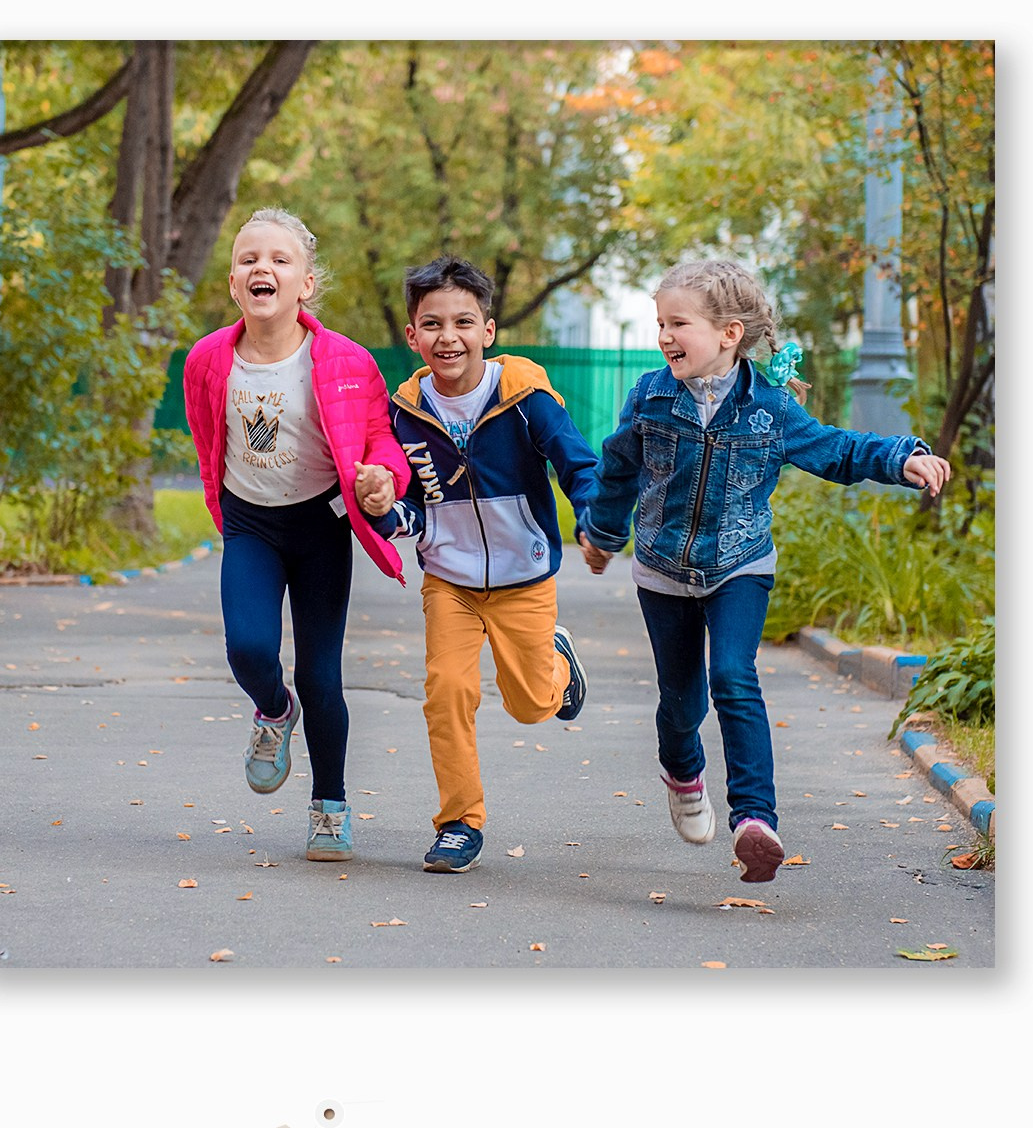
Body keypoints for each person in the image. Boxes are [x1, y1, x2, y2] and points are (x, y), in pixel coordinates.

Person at [577, 259, 951, 883]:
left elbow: (834, 449)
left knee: (733, 674)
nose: (665, 336)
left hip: (740, 565)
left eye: (679, 324)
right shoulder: (649, 396)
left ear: (729, 333)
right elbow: (618, 470)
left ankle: (755, 819)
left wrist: (898, 457)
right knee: (681, 702)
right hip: (663, 569)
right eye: (661, 323)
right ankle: (683, 772)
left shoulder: (771, 408)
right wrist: (604, 534)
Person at [354, 255, 598, 873]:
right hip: (450, 581)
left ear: (487, 330)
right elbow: (410, 505)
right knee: (447, 691)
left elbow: (576, 463)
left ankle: (558, 667)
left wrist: (593, 518)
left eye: (463, 322)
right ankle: (459, 823)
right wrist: (383, 509)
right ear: (413, 335)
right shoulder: (404, 413)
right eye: (432, 324)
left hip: (524, 577)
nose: (449, 337)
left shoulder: (525, 397)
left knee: (531, 706)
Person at [183, 207, 411, 863]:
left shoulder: (346, 361)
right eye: (249, 259)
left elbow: (380, 441)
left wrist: (384, 480)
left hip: (320, 526)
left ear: (306, 283)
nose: (264, 268)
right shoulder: (206, 360)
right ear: (234, 283)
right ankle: (273, 710)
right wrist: (224, 504)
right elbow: (208, 439)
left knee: (320, 675)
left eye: (280, 259)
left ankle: (330, 807)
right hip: (250, 522)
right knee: (248, 647)